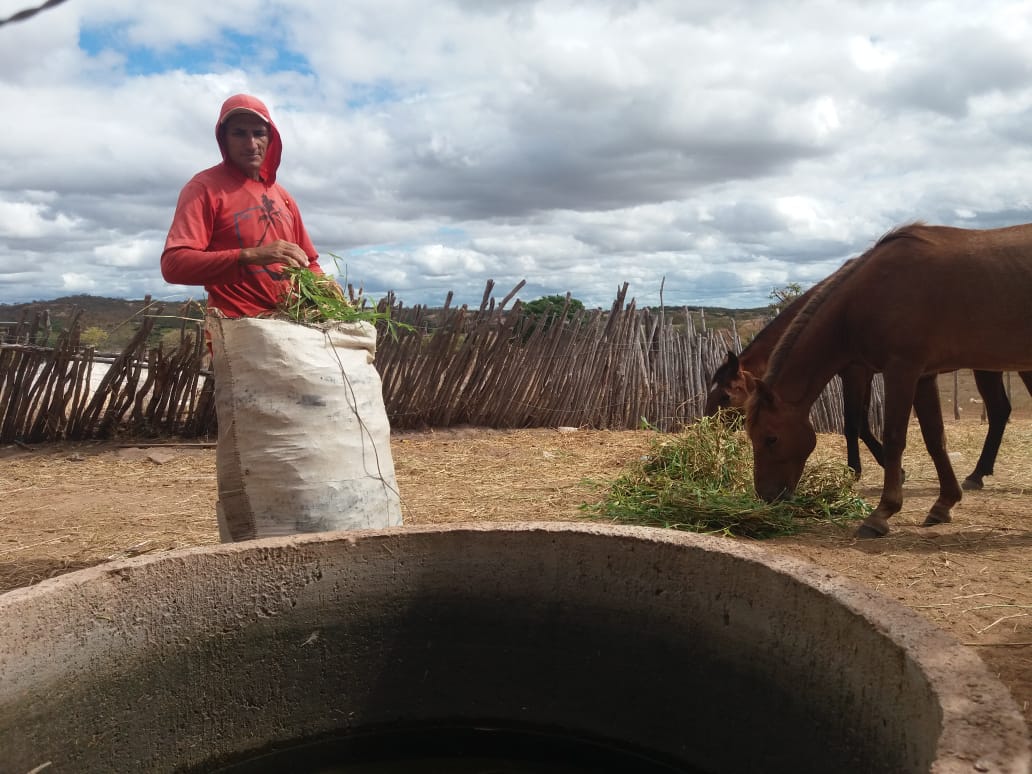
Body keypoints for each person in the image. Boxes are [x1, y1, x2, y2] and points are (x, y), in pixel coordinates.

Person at [161, 93, 326, 317]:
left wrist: (325, 290)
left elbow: (309, 261)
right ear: (224, 139)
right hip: (239, 326)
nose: (251, 144)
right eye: (239, 134)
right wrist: (250, 255)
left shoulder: (283, 196)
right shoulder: (203, 188)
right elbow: (173, 266)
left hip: (291, 322)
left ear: (270, 139)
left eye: (259, 133)